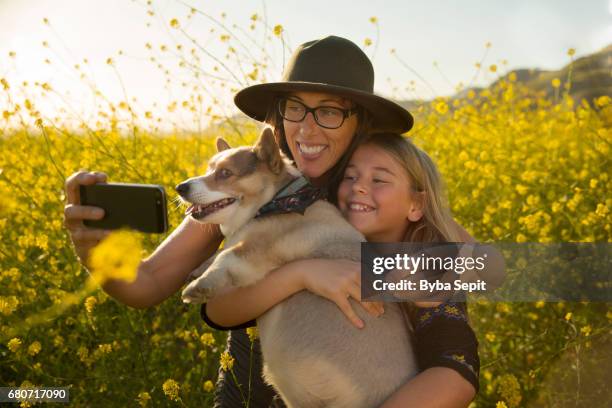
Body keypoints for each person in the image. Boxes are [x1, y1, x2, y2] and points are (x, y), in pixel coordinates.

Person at [63, 36, 478, 407]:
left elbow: (454, 364)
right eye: (294, 107)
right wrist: (94, 251)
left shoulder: (377, 203)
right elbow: (147, 283)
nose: (307, 126)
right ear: (276, 116)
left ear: (360, 124)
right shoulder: (245, 190)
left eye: (329, 111)